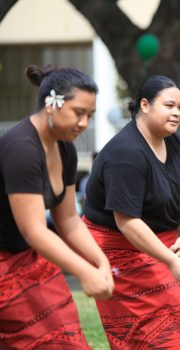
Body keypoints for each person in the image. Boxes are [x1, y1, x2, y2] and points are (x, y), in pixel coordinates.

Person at [83, 75, 180, 349]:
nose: (177, 113)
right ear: (145, 105)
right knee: (144, 338)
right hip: (118, 248)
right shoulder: (125, 153)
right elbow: (127, 221)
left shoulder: (177, 143)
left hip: (165, 243)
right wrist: (170, 261)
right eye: (169, 105)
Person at [0, 65, 114, 349]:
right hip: (9, 258)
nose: (85, 123)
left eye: (90, 115)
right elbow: (34, 230)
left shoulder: (65, 148)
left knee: (64, 337)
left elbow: (69, 221)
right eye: (79, 113)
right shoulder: (22, 148)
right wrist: (84, 272)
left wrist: (100, 261)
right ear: (52, 104)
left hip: (26, 256)